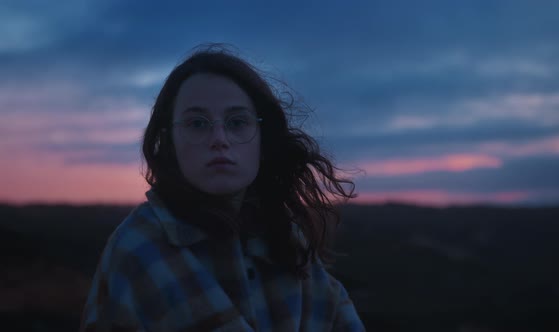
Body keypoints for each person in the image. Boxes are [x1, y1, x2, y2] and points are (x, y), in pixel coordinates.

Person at [80, 44, 365, 332]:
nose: (219, 138)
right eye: (198, 123)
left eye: (237, 122)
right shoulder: (138, 249)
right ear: (170, 141)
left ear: (262, 140)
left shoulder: (287, 241)